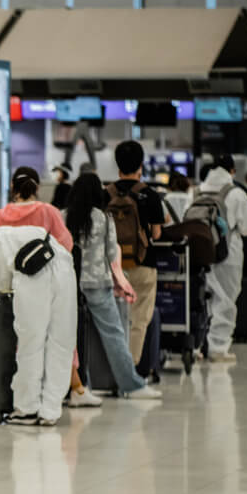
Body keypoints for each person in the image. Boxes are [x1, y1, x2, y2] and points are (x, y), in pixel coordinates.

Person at [0, 167, 97, 408]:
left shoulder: (1, 215)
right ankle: (75, 389)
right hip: (47, 286)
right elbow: (66, 245)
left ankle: (22, 396)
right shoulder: (48, 212)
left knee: (22, 341)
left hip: (12, 287)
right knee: (59, 339)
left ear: (12, 187)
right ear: (37, 187)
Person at [65, 173, 161, 399]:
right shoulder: (103, 218)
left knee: (69, 338)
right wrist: (120, 283)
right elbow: (111, 255)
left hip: (69, 284)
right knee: (114, 335)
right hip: (98, 283)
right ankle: (132, 385)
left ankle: (77, 386)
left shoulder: (63, 216)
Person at [0, 225, 77, 425]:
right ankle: (51, 409)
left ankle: (27, 408)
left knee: (31, 343)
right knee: (61, 341)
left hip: (33, 275)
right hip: (64, 267)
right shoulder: (29, 231)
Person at [108, 141, 165, 361]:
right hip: (143, 264)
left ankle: (112, 367)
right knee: (138, 320)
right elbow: (156, 234)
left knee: (112, 320)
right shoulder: (150, 195)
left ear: (118, 166)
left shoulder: (106, 194)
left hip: (112, 267)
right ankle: (130, 368)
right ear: (141, 165)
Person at [201, 155, 247, 362]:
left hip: (201, 251)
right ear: (232, 171)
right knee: (226, 299)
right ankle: (218, 347)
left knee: (203, 297)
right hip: (228, 252)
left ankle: (199, 345)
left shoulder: (199, 190)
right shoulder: (236, 193)